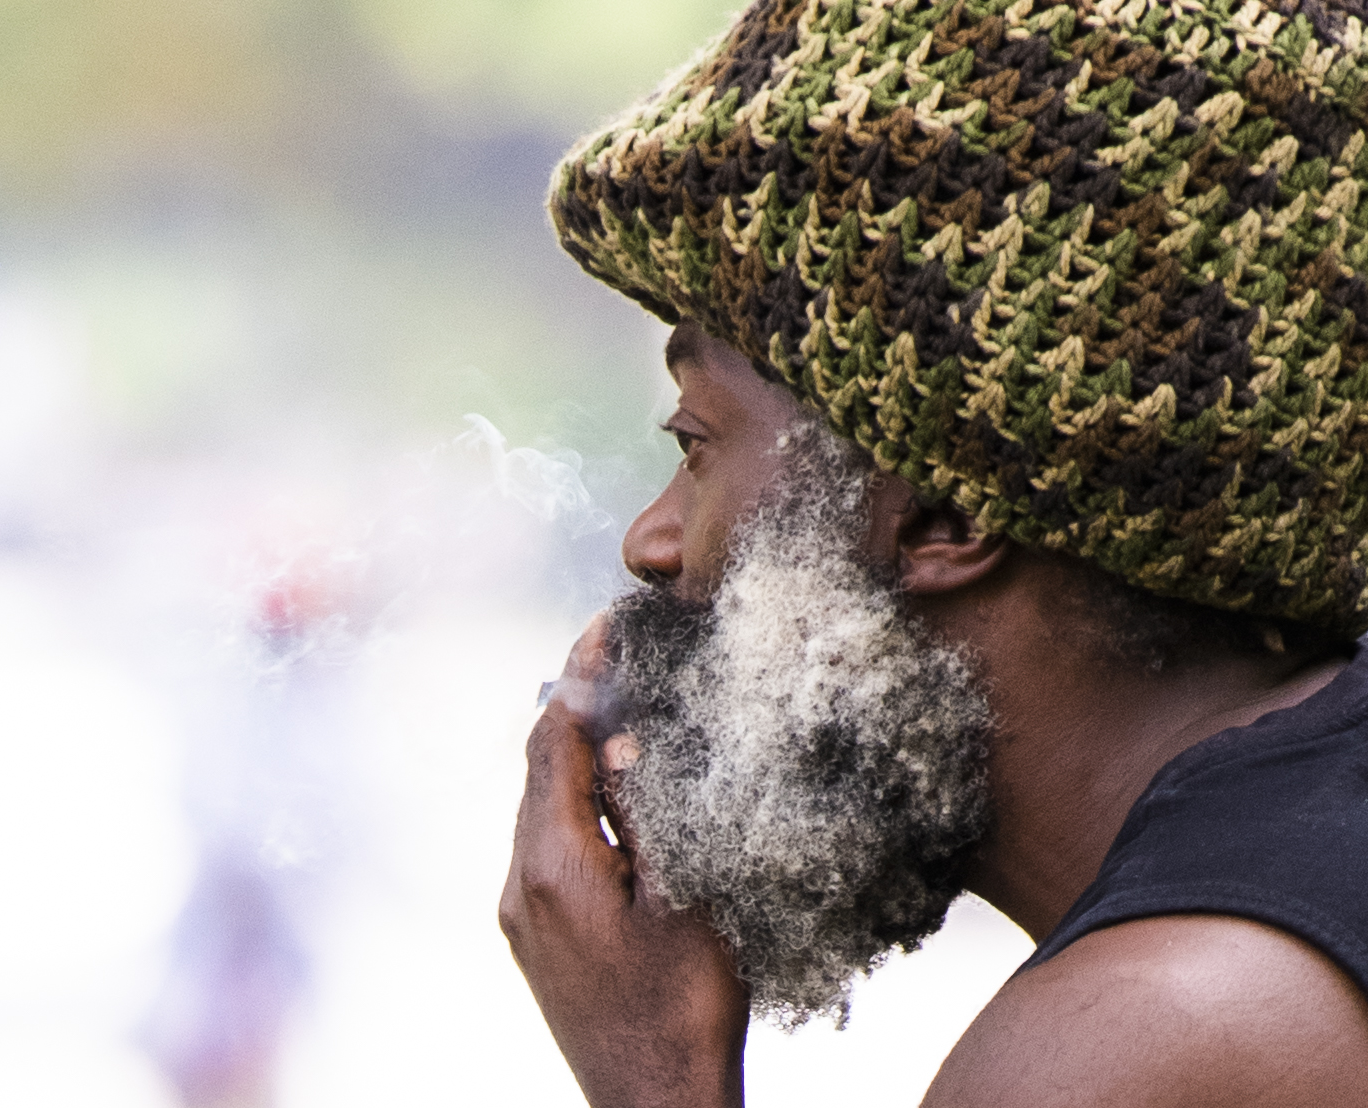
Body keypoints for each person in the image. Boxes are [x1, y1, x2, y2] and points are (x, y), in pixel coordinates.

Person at [501, 0, 1368, 1103]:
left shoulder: (1151, 1036)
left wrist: (655, 1075)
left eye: (695, 442)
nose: (650, 542)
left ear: (945, 519)